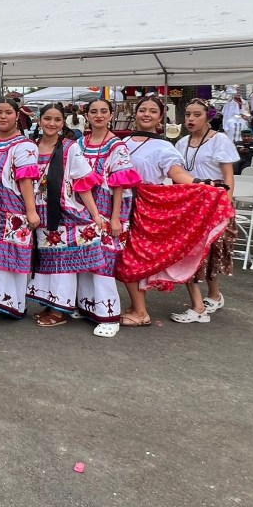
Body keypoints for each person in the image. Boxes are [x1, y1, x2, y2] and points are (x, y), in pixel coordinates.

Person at [115, 96, 235, 327]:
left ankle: (141, 312)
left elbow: (176, 173)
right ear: (135, 113)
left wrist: (201, 184)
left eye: (153, 111)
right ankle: (136, 306)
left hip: (144, 207)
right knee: (123, 256)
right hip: (119, 204)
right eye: (142, 110)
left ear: (161, 117)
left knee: (133, 257)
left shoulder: (164, 146)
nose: (146, 114)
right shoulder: (123, 142)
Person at [25, 104, 108, 328]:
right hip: (40, 212)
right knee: (47, 260)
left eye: (57, 120)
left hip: (64, 213)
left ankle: (60, 309)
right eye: (47, 118)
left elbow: (82, 183)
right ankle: (50, 303)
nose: (52, 123)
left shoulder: (70, 148)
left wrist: (95, 214)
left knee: (63, 263)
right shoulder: (31, 147)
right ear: (39, 120)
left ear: (63, 123)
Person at [76, 99, 141, 338]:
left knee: (104, 261)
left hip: (108, 209)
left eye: (104, 111)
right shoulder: (80, 143)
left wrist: (115, 218)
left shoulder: (117, 146)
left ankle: (109, 315)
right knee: (85, 258)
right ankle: (87, 306)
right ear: (87, 116)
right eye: (93, 111)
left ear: (111, 115)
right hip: (83, 210)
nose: (99, 115)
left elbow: (120, 185)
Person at [173, 99, 240, 323]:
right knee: (194, 251)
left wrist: (226, 204)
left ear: (208, 117)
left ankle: (212, 296)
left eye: (197, 115)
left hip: (214, 201)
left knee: (211, 251)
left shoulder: (220, 140)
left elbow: (228, 176)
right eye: (188, 115)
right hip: (190, 202)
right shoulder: (182, 142)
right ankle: (210, 297)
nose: (191, 119)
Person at [0, 98, 41, 318]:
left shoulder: (24, 145)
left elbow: (26, 181)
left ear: (17, 116)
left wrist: (31, 211)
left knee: (9, 256)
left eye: (8, 113)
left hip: (13, 208)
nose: (2, 117)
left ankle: (10, 304)